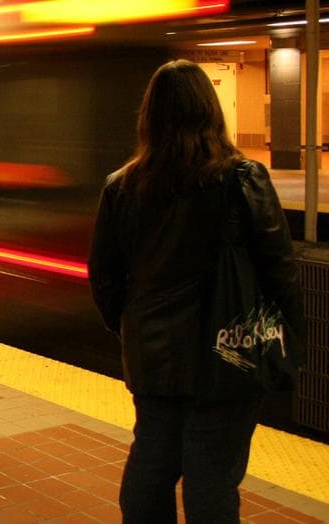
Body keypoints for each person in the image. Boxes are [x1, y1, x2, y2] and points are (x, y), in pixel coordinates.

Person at [88, 59, 304, 523]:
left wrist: (136, 332)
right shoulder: (242, 178)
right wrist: (287, 341)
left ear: (149, 116)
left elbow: (104, 279)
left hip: (154, 360)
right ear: (211, 109)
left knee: (152, 464)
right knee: (212, 480)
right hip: (230, 356)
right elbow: (280, 271)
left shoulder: (121, 187)